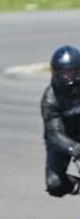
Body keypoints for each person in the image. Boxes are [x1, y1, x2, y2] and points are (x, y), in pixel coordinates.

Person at [42, 45, 80, 197]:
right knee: (54, 184)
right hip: (64, 140)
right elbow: (53, 134)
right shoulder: (50, 98)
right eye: (62, 73)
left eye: (70, 72)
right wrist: (74, 148)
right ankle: (77, 185)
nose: (66, 77)